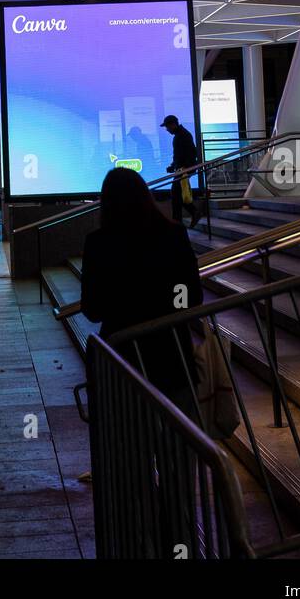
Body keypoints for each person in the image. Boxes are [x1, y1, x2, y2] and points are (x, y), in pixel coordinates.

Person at [80, 169, 202, 405]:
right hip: (172, 354)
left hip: (121, 357)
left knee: (127, 436)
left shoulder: (99, 242)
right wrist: (168, 306)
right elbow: (191, 296)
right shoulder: (174, 234)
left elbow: (93, 309)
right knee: (178, 434)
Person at [161, 115, 200, 227]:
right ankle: (183, 218)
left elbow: (191, 153)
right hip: (182, 169)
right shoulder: (181, 134)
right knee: (177, 196)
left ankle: (180, 221)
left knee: (176, 195)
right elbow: (179, 155)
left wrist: (184, 168)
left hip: (184, 170)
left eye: (167, 127)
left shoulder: (182, 135)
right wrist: (173, 166)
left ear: (172, 124)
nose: (167, 129)